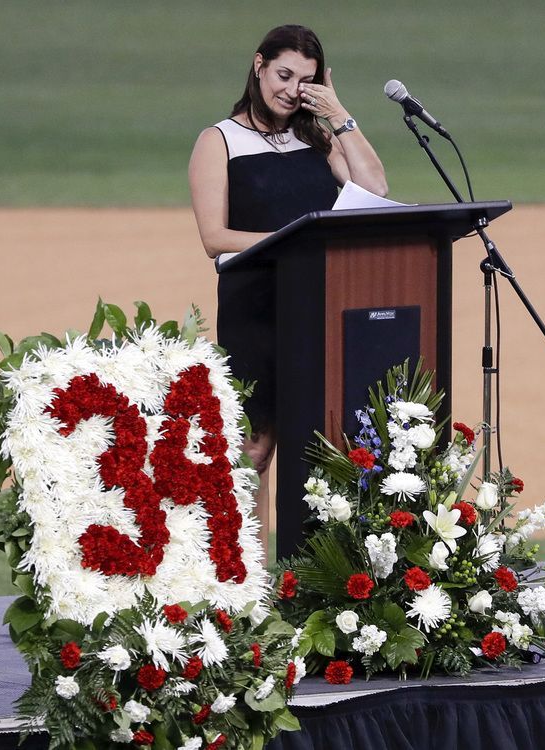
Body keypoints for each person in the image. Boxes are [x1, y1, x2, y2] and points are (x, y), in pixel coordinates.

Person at [188, 25, 387, 556]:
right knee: (254, 449)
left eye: (306, 79)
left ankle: (315, 583)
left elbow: (375, 188)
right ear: (258, 65)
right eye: (283, 74)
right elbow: (214, 236)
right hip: (255, 310)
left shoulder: (317, 139)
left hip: (318, 306)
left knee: (321, 443)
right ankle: (251, 589)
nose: (291, 89)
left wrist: (337, 113)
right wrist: (296, 239)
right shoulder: (220, 140)